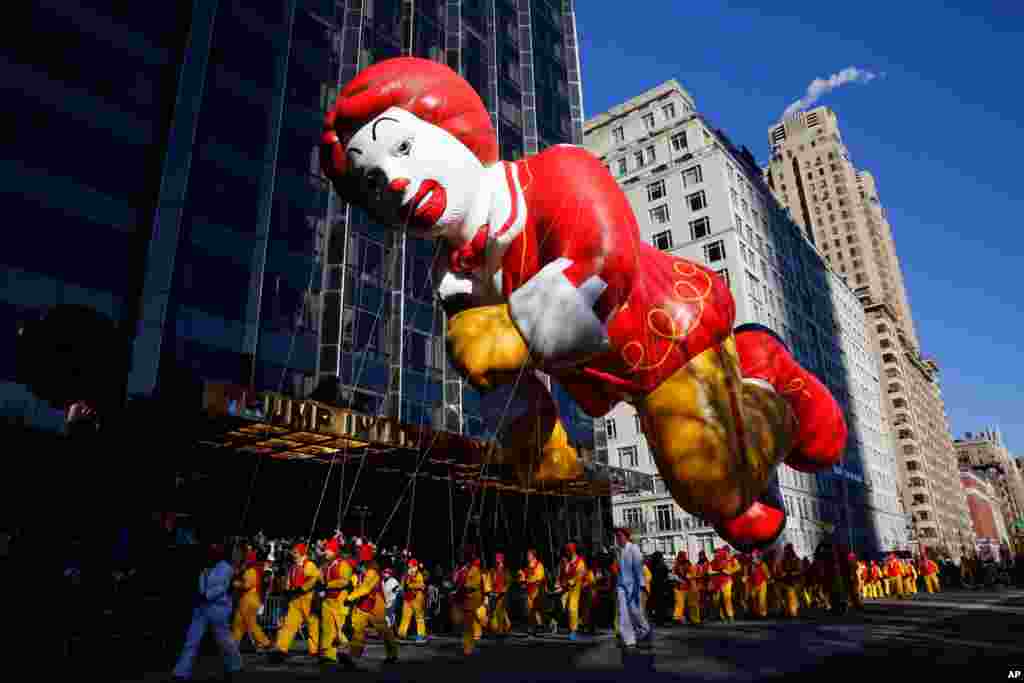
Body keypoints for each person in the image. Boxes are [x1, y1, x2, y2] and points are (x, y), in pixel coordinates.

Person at [320, 56, 848, 556]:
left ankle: (766, 380)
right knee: (707, 483)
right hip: (602, 375)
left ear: (454, 130)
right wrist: (531, 435)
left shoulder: (556, 175)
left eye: (404, 149)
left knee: (707, 482)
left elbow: (603, 262)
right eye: (372, 181)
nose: (390, 180)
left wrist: (514, 331)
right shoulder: (454, 278)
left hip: (666, 329)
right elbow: (493, 373)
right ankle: (735, 480)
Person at [171, 543, 242, 681]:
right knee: (192, 640)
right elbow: (202, 586)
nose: (213, 550)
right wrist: (201, 596)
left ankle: (235, 666)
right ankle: (180, 672)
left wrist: (205, 595)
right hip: (202, 608)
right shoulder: (204, 567)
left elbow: (222, 587)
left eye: (216, 548)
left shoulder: (226, 568)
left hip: (218, 609)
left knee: (224, 640)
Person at [345, 543, 399, 664]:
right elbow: (358, 583)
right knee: (358, 630)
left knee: (383, 630)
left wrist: (350, 597)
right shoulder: (361, 569)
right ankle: (353, 655)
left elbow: (366, 588)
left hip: (375, 603)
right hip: (363, 603)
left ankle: (392, 654)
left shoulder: (372, 571)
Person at [268, 543, 321, 663]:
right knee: (288, 624)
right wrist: (287, 590)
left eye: (296, 552)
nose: (293, 554)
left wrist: (303, 588)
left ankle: (315, 649)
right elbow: (289, 580)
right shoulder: (293, 566)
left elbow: (314, 578)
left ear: (302, 553)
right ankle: (281, 649)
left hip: (308, 598)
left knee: (312, 625)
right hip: (295, 600)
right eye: (293, 552)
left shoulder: (309, 564)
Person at [319, 539, 357, 670]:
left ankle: (346, 654)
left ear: (334, 551)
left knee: (341, 629)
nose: (325, 552)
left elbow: (344, 581)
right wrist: (320, 586)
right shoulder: (325, 566)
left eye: (328, 550)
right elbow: (321, 580)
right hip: (327, 600)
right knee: (327, 629)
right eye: (325, 550)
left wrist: (327, 585)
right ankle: (328, 654)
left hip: (340, 600)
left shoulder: (343, 564)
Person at [614, 527, 652, 650]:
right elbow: (620, 569)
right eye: (617, 536)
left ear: (626, 536)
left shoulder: (633, 548)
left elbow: (638, 569)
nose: (618, 538)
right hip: (622, 586)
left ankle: (645, 632)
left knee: (636, 611)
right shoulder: (618, 550)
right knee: (623, 612)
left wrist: (639, 587)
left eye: (620, 536)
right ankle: (629, 640)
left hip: (633, 586)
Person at [230, 548, 271, 651]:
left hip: (249, 600)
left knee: (250, 623)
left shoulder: (251, 571)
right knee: (238, 623)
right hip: (247, 600)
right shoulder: (255, 569)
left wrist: (235, 584)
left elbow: (247, 585)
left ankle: (265, 642)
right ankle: (234, 644)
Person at [399, 558, 428, 641]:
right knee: (405, 616)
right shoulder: (407, 575)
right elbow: (404, 584)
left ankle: (421, 635)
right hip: (407, 598)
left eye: (412, 566)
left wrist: (411, 585)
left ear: (415, 566)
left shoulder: (419, 575)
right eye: (409, 566)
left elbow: (421, 585)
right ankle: (402, 633)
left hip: (417, 598)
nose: (410, 567)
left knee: (419, 617)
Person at [520, 549, 547, 636]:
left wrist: (528, 581)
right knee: (530, 609)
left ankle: (540, 626)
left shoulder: (539, 565)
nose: (527, 557)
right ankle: (534, 626)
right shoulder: (527, 566)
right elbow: (523, 576)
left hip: (537, 589)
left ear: (533, 556)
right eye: (527, 555)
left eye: (529, 555)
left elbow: (538, 578)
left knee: (537, 608)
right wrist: (522, 579)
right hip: (529, 590)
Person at [487, 552, 513, 636]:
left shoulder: (505, 570)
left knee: (500, 612)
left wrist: (503, 591)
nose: (497, 560)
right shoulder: (492, 570)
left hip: (502, 594)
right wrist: (490, 591)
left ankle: (500, 630)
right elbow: (489, 581)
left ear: (502, 559)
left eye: (498, 558)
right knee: (494, 612)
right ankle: (503, 628)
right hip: (494, 593)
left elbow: (508, 582)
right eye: (496, 558)